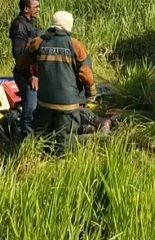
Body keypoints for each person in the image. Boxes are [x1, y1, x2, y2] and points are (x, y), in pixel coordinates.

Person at [15, 11, 97, 156]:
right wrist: (91, 94)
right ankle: (60, 166)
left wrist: (31, 76)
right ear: (68, 25)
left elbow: (21, 64)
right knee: (64, 141)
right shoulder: (75, 45)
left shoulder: (38, 42)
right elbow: (86, 74)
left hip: (44, 101)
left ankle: (41, 163)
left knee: (43, 138)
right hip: (68, 104)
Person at [10, 0, 41, 140]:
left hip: (33, 74)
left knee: (34, 107)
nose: (38, 10)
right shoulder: (19, 25)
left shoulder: (30, 23)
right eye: (35, 7)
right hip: (25, 75)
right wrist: (31, 76)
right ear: (26, 9)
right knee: (30, 109)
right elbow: (19, 55)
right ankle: (26, 141)